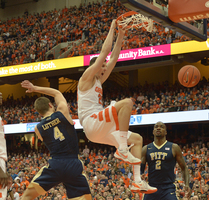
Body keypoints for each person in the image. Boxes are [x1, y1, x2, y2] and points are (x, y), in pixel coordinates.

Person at [77, 19, 156, 193]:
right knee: (126, 102)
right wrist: (112, 28)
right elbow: (105, 52)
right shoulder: (87, 77)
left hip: (99, 130)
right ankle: (121, 148)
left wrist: (121, 34)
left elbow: (113, 57)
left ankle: (136, 181)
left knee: (137, 140)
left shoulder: (98, 80)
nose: (105, 67)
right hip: (91, 122)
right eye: (102, 65)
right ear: (95, 66)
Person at [20, 80, 92, 200]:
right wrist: (35, 88)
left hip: (56, 164)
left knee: (27, 197)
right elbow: (57, 93)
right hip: (73, 163)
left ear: (38, 112)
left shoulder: (37, 128)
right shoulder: (63, 112)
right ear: (50, 105)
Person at [141, 121, 190, 200]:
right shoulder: (146, 148)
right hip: (151, 187)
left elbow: (184, 168)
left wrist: (187, 184)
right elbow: (140, 170)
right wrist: (140, 177)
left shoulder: (174, 147)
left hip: (168, 188)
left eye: (161, 127)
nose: (158, 128)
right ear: (153, 131)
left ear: (166, 132)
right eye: (156, 126)